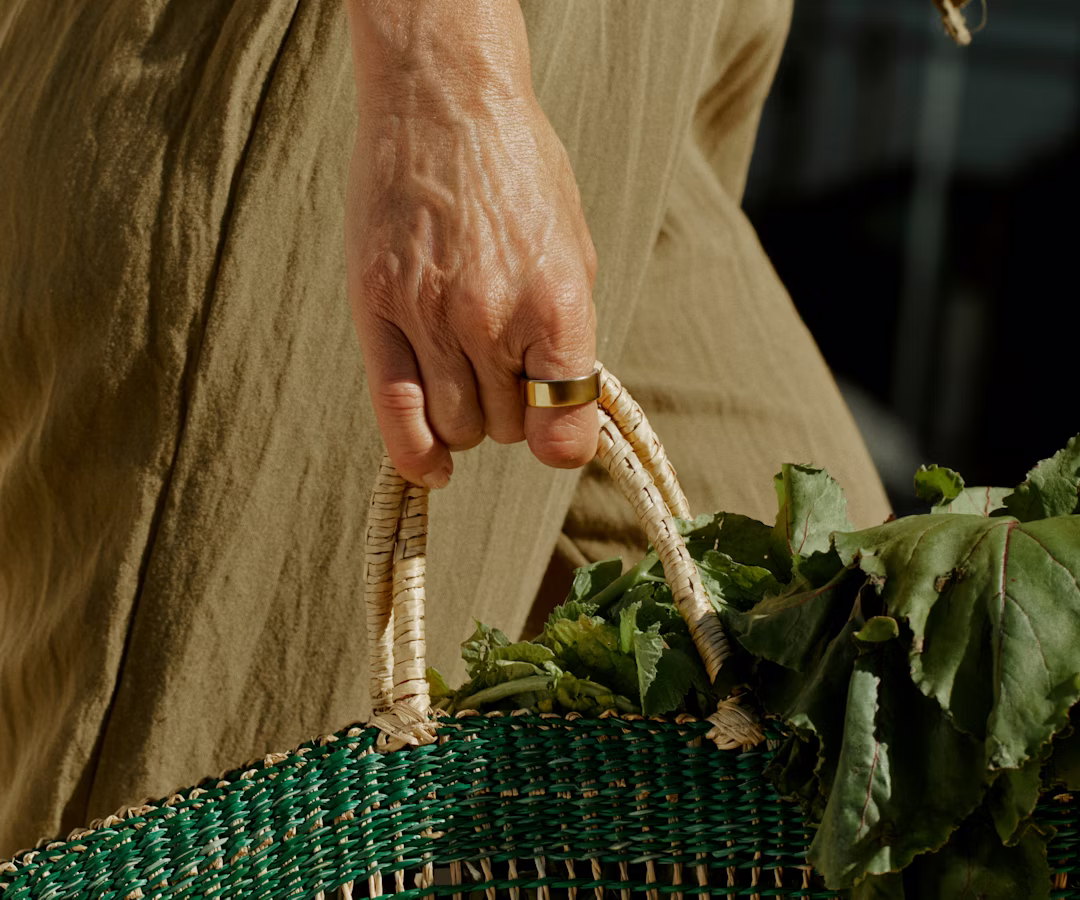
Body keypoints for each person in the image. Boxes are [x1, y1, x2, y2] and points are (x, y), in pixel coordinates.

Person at [0, 0, 891, 859]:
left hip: (655, 58)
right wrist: (440, 74)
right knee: (250, 811)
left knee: (838, 727)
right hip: (397, 58)